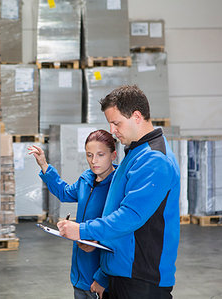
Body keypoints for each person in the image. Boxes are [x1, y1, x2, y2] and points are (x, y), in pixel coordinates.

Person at [57, 85, 180, 299]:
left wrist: (83, 231)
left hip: (141, 279)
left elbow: (130, 217)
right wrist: (104, 273)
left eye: (116, 123)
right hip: (122, 274)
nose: (112, 131)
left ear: (137, 116)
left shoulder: (154, 160)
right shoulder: (135, 153)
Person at [28, 130, 117, 299]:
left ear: (113, 155)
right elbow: (64, 192)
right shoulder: (86, 180)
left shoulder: (118, 187)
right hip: (80, 273)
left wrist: (102, 278)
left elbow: (120, 232)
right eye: (89, 155)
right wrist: (44, 165)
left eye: (100, 155)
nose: (94, 161)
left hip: (100, 278)